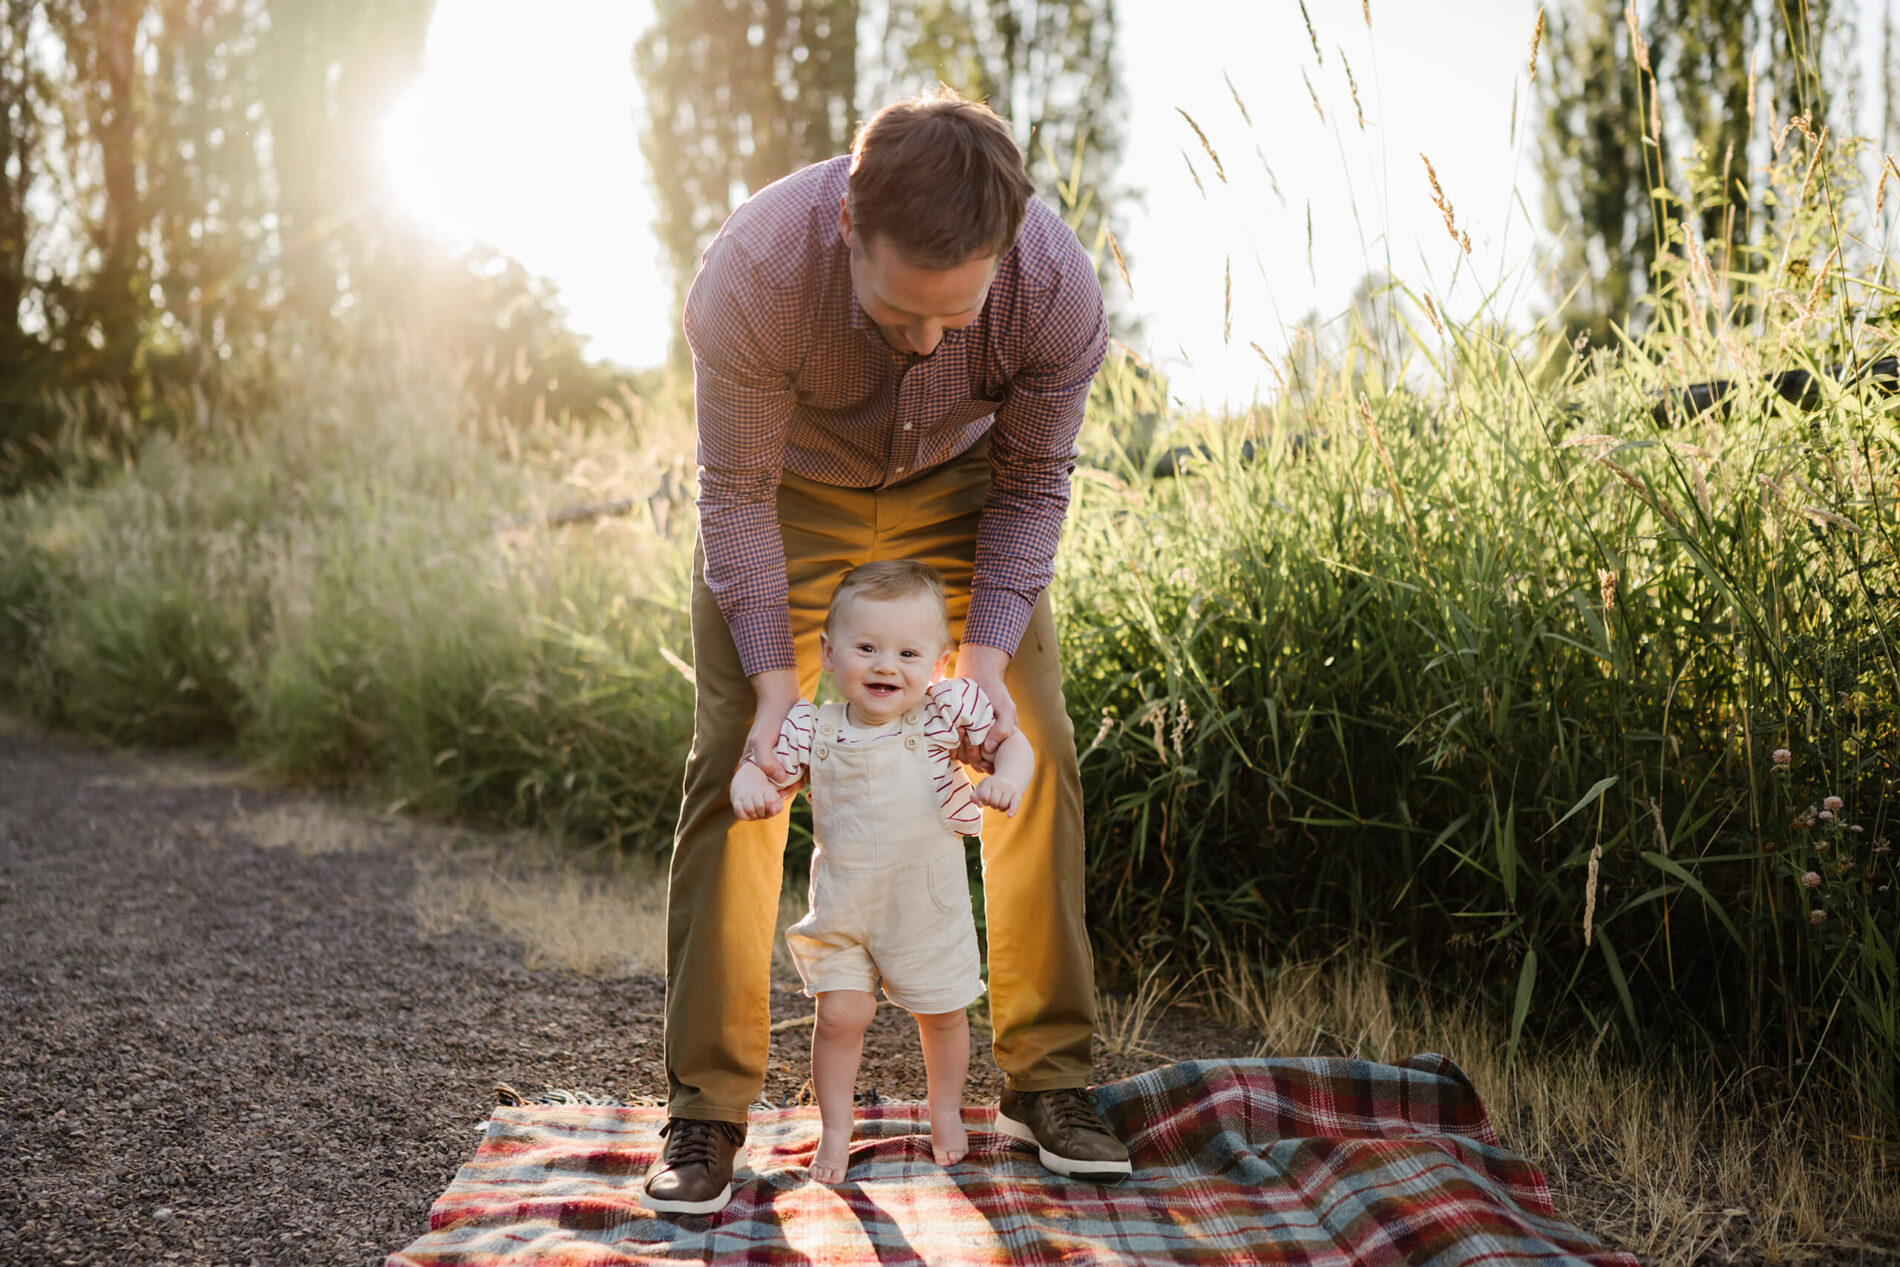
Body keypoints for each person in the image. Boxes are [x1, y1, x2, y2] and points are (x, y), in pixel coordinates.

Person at [641, 86, 1130, 1218]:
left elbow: (1030, 485)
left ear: (1003, 259)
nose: (924, 339)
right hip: (794, 493)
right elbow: (736, 493)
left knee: (1032, 749)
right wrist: (775, 686)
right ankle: (706, 1104)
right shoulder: (755, 271)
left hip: (960, 498)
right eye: (899, 311)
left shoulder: (1055, 294)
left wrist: (986, 670)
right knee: (738, 764)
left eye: (952, 320)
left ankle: (1050, 1080)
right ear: (847, 229)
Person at [729, 560, 1032, 1182]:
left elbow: (1014, 742)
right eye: (866, 647)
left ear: (938, 664)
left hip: (926, 907)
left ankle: (945, 1111)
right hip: (844, 908)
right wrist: (747, 783)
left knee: (944, 1014)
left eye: (907, 652)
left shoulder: (943, 713)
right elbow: (762, 767)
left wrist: (1007, 779)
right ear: (830, 654)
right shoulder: (812, 727)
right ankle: (835, 1129)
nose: (885, 665)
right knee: (840, 1016)